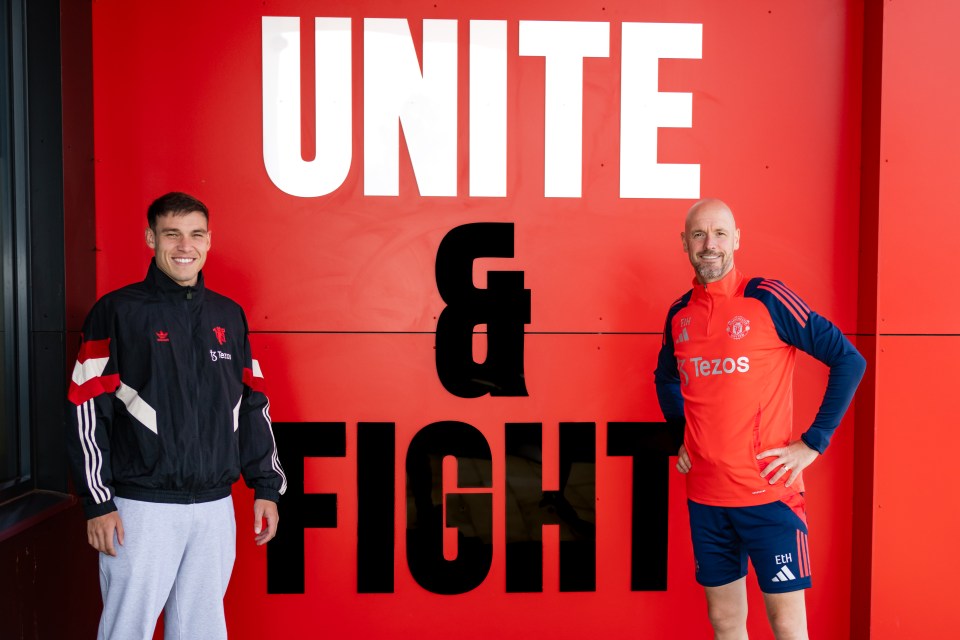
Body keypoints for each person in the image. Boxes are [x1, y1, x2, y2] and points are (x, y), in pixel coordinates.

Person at [66, 192, 287, 639]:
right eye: (172, 234)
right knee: (126, 630)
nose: (185, 245)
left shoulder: (229, 315)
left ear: (208, 242)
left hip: (213, 508)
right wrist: (99, 502)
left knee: (202, 629)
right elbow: (86, 408)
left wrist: (267, 485)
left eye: (196, 234)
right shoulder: (117, 312)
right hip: (140, 509)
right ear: (151, 238)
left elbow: (253, 405)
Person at [654, 199, 865, 639]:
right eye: (698, 235)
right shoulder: (680, 314)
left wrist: (813, 442)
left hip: (769, 496)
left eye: (718, 233)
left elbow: (848, 359)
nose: (708, 244)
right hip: (707, 499)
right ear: (684, 243)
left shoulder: (767, 298)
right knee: (725, 621)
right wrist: (681, 436)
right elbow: (665, 378)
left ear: (736, 239)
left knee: (787, 625)